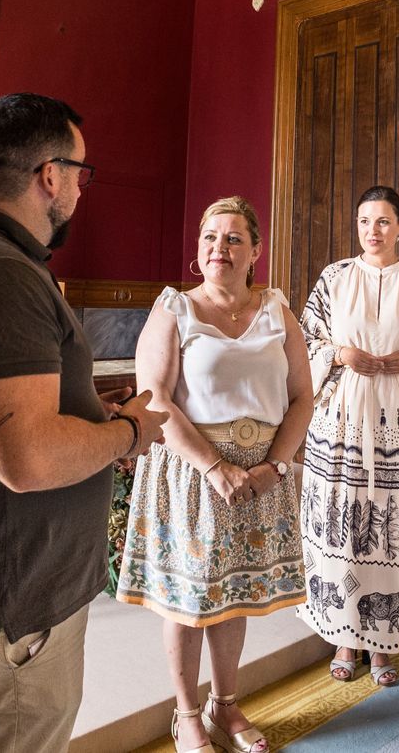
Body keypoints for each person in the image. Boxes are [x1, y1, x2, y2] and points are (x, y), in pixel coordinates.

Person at [0, 93, 168, 753]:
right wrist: (128, 433)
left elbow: (0, 417)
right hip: (5, 614)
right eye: (81, 173)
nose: (80, 189)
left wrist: (88, 421)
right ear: (50, 175)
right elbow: (28, 458)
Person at [116, 196, 311, 753]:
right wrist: (214, 465)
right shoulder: (174, 308)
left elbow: (302, 396)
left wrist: (277, 463)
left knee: (238, 593)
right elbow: (154, 397)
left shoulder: (277, 310)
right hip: (194, 475)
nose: (218, 248)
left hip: (262, 477)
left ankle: (227, 705)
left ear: (255, 250)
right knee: (189, 601)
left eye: (232, 239)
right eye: (209, 237)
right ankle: (186, 716)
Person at [298, 185, 399, 687]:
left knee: (388, 528)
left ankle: (383, 644)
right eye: (365, 220)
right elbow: (304, 340)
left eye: (384, 221)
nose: (373, 230)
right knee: (347, 525)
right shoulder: (335, 278)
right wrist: (340, 355)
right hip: (341, 419)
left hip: (398, 420)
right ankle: (346, 637)